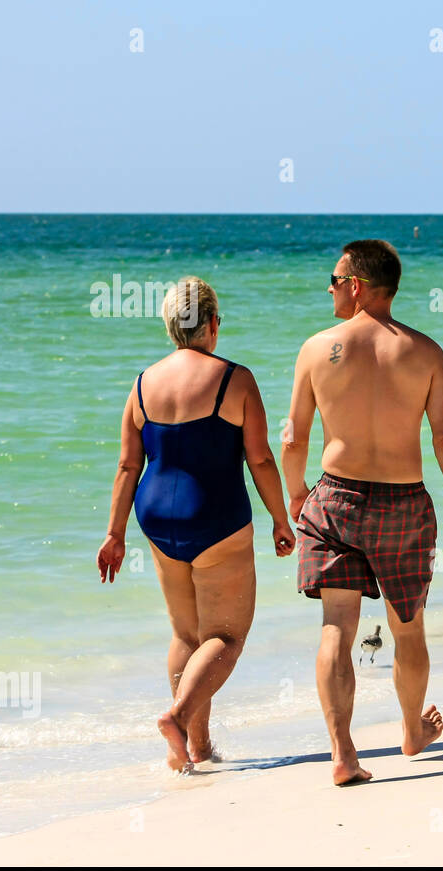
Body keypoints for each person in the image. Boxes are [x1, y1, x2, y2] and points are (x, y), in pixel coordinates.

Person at [283, 240, 443, 785]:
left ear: (358, 284)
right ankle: (413, 730)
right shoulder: (426, 352)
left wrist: (296, 494)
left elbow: (294, 438)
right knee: (407, 629)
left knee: (336, 629)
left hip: (335, 500)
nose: (329, 287)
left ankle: (343, 753)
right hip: (403, 503)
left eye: (335, 278)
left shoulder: (317, 349)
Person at [97, 276, 295, 771]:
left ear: (170, 326)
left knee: (187, 635)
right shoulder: (235, 379)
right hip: (217, 516)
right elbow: (262, 460)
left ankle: (197, 750)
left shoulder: (143, 383)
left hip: (157, 518)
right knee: (226, 636)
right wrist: (280, 518)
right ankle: (179, 718)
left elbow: (127, 467)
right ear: (211, 324)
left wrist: (114, 534)